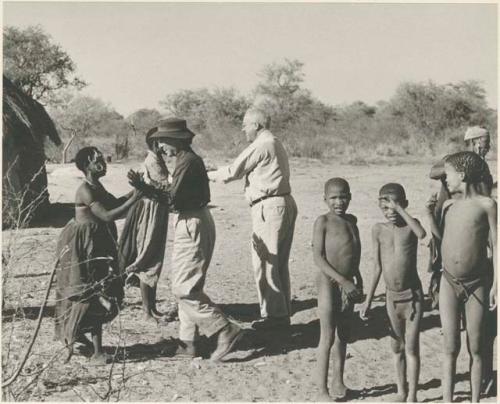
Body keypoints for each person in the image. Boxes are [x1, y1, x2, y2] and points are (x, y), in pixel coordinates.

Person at [149, 118, 243, 361]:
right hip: (192, 220)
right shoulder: (186, 161)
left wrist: (147, 190)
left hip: (192, 222)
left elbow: (173, 199)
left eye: (163, 142)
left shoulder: (188, 162)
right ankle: (188, 342)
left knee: (183, 288)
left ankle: (224, 329)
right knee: (188, 285)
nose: (161, 148)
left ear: (176, 141)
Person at [208, 108, 298, 329]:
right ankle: (281, 314)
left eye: (245, 125)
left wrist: (204, 174)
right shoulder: (273, 142)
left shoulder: (262, 144)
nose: (243, 129)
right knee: (278, 263)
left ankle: (274, 318)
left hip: (269, 206)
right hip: (281, 203)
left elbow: (232, 172)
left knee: (266, 262)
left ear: (256, 125)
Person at [54, 147, 142, 364]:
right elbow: (107, 214)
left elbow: (114, 204)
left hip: (95, 244)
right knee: (88, 292)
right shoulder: (85, 189)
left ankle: (86, 342)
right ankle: (94, 350)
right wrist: (136, 198)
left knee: (97, 289)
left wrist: (137, 191)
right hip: (83, 247)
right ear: (87, 166)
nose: (103, 163)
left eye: (102, 159)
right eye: (97, 161)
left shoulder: (97, 186)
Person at [426, 151, 497, 403]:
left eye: (449, 175)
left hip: (477, 283)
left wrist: (497, 284)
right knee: (450, 346)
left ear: (463, 176)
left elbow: (497, 245)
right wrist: (429, 216)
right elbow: (441, 240)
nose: (446, 179)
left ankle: (475, 399)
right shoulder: (448, 205)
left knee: (476, 347)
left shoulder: (487, 204)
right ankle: (448, 399)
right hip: (449, 281)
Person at [360, 183, 426, 402]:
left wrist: (399, 209)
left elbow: (422, 233)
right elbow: (377, 267)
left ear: (404, 205)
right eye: (385, 208)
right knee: (396, 346)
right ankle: (401, 390)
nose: (390, 213)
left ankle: (413, 395)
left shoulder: (411, 225)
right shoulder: (378, 230)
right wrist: (368, 300)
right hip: (391, 297)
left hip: (413, 297)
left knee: (412, 347)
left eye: (394, 207)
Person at [312, 178, 363, 401]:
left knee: (343, 335)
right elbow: (318, 257)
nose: (339, 202)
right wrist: (343, 281)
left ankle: (338, 382)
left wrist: (357, 278)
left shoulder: (352, 221)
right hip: (328, 283)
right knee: (327, 337)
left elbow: (354, 253)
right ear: (325, 199)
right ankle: (322, 391)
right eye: (333, 197)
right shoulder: (322, 221)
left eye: (343, 197)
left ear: (350, 197)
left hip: (349, 283)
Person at [118, 127, 173, 324]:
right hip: (150, 214)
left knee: (154, 258)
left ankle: (152, 308)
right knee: (147, 257)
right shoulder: (153, 162)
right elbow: (162, 189)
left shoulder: (157, 162)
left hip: (156, 213)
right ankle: (147, 312)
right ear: (156, 143)